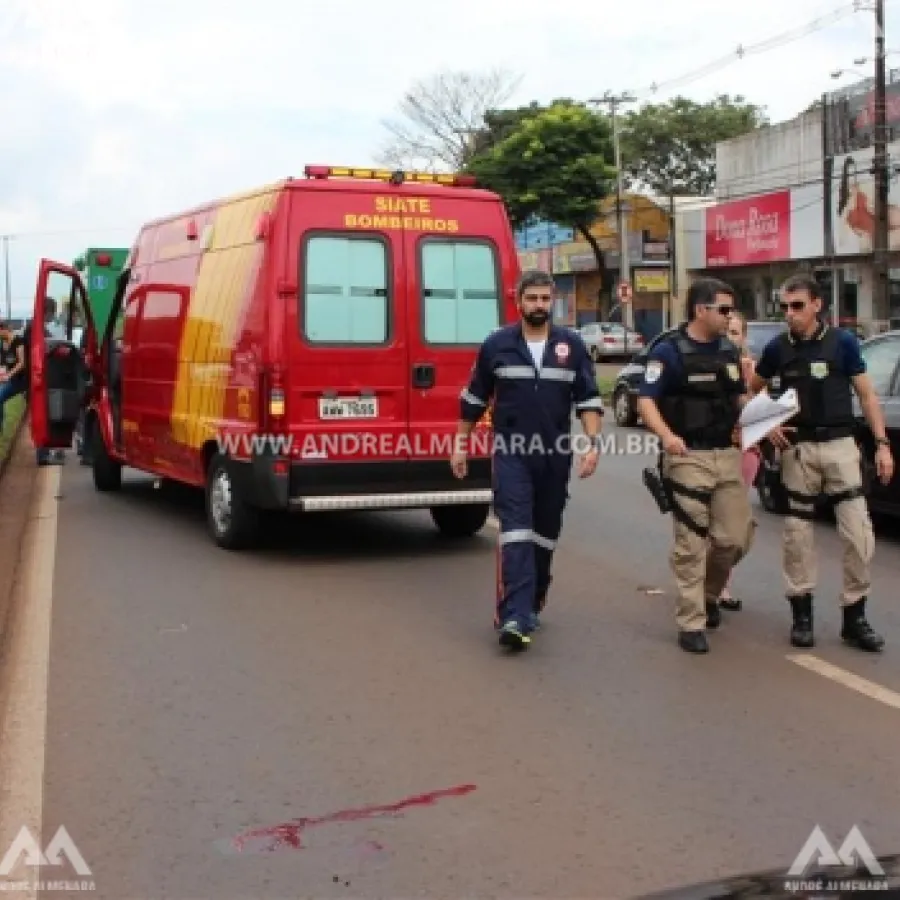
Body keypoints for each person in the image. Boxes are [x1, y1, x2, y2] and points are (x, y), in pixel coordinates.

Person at [451, 269, 604, 651]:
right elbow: (474, 398)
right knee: (516, 529)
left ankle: (534, 598)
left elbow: (587, 399)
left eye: (544, 299)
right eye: (531, 298)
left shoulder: (571, 345)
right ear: (517, 301)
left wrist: (593, 442)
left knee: (545, 534)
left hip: (554, 454)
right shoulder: (497, 345)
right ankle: (514, 615)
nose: (538, 306)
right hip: (512, 450)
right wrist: (460, 444)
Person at [749, 273, 893, 652]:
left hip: (841, 446)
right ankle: (802, 617)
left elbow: (867, 396)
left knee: (859, 536)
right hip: (800, 450)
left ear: (817, 305)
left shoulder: (842, 343)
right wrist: (766, 425)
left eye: (797, 306)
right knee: (798, 537)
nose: (790, 314)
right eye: (784, 307)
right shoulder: (778, 348)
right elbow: (751, 390)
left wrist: (882, 444)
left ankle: (854, 618)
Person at [637, 277, 755, 654]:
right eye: (722, 309)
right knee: (690, 542)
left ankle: (708, 594)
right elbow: (646, 401)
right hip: (688, 456)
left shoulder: (727, 351)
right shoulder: (669, 351)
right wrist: (666, 436)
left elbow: (739, 399)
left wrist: (759, 416)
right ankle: (691, 622)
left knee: (735, 538)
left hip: (726, 454)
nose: (728, 316)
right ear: (700, 310)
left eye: (730, 310)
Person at [717, 310, 762, 611]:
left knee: (732, 523)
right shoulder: (705, 364)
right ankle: (702, 583)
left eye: (735, 332)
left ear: (743, 337)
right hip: (709, 452)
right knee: (707, 521)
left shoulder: (753, 371)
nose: (730, 338)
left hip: (744, 451)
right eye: (725, 332)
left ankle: (722, 585)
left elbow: (764, 408)